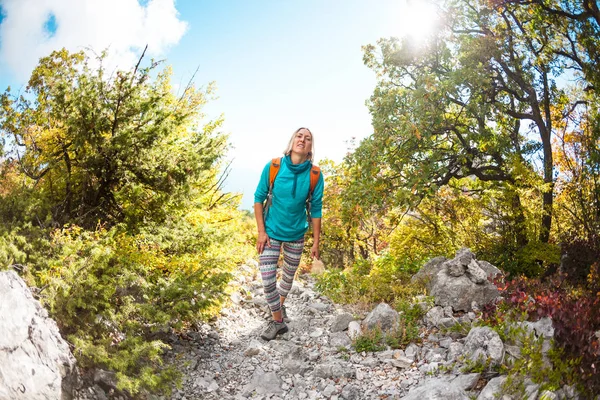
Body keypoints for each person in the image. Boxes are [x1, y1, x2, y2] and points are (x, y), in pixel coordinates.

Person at [253, 127, 324, 341]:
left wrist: (316, 242)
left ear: (311, 147)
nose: (302, 139)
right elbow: (258, 198)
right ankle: (278, 322)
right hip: (271, 231)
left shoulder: (315, 175)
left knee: (287, 279)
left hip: (296, 234)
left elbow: (316, 209)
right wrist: (261, 232)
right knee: (267, 281)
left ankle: (277, 312)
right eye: (299, 136)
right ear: (292, 141)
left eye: (308, 138)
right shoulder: (274, 166)